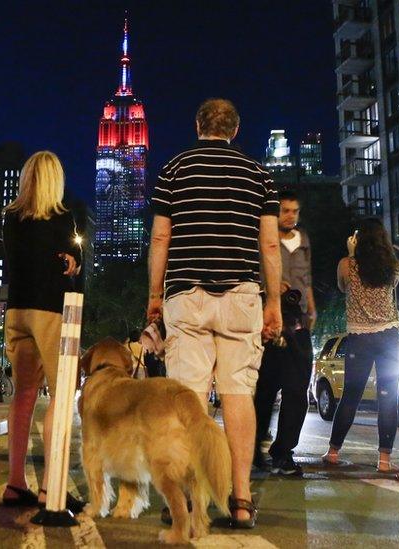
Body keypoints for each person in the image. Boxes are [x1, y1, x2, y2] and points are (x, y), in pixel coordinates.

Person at [147, 98, 282, 528]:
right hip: (242, 295)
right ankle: (240, 499)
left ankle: (188, 500)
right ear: (235, 131)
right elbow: (271, 245)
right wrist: (273, 301)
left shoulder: (173, 170)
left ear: (198, 125)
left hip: (187, 296)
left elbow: (160, 237)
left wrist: (154, 295)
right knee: (238, 394)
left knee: (189, 399)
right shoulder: (260, 175)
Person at [0, 151, 85, 513]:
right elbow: (67, 263)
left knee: (23, 395)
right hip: (51, 311)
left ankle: (15, 483)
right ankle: (52, 488)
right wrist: (72, 260)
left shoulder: (10, 218)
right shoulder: (64, 217)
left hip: (17, 310)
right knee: (62, 396)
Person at [323, 218, 399, 472]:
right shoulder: (394, 266)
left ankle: (333, 452)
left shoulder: (347, 265)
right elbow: (391, 289)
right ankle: (384, 461)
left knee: (350, 396)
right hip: (389, 335)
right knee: (387, 397)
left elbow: (342, 286)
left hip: (360, 338)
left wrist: (351, 254)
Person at [253, 190, 315, 476]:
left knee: (297, 391)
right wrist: (269, 289)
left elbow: (308, 278)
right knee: (264, 390)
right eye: (285, 210)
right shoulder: (263, 239)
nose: (290, 216)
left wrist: (311, 309)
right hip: (269, 323)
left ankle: (283, 452)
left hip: (299, 323)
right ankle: (253, 448)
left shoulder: (303, 240)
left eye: (295, 211)